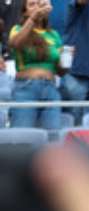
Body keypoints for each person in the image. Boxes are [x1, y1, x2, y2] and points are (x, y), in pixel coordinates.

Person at [7, 0, 62, 130]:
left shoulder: (54, 34)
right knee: (23, 137)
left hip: (51, 88)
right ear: (25, 11)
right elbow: (15, 44)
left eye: (39, 4)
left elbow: (61, 71)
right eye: (32, 4)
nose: (37, 8)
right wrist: (33, 19)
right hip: (26, 88)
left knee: (52, 137)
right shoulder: (17, 29)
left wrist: (67, 59)